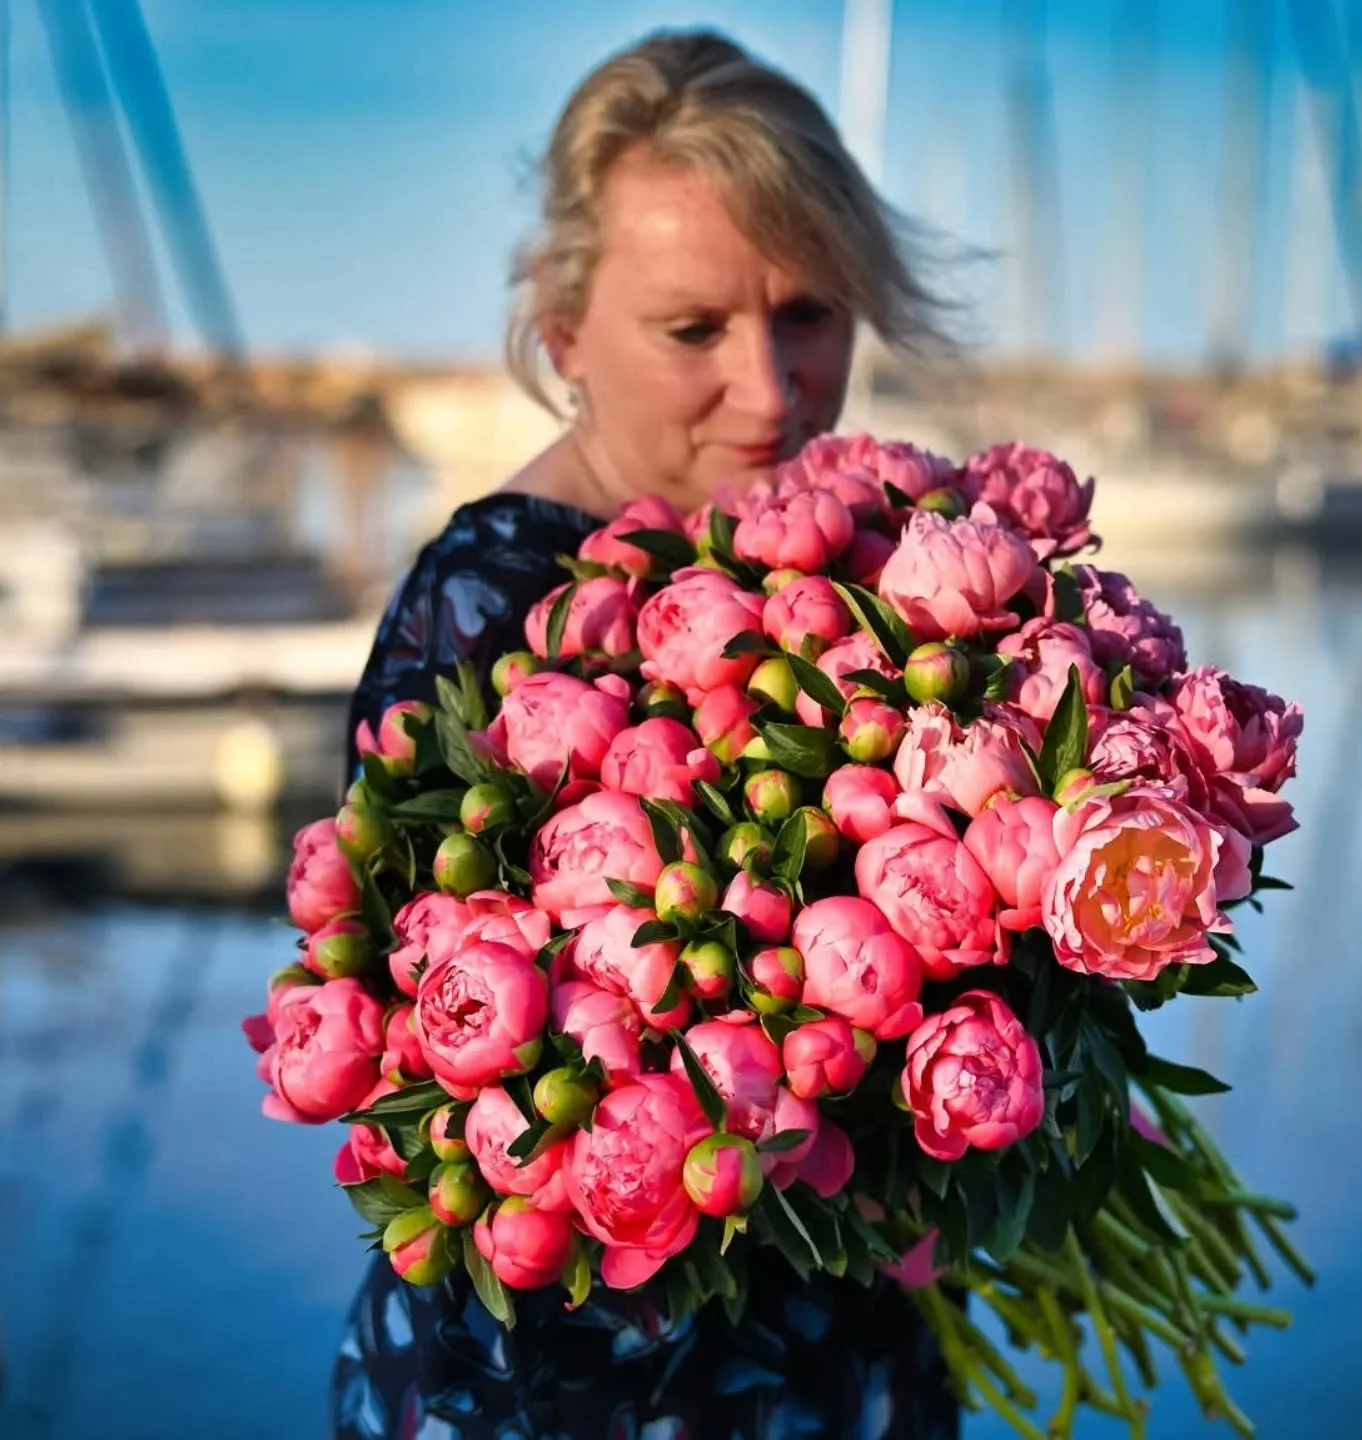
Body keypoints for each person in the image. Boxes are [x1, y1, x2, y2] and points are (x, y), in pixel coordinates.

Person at [331, 28, 960, 1440]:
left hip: (834, 1356)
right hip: (568, 1387)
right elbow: (443, 1103)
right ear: (563, 328)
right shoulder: (483, 607)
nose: (772, 388)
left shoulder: (838, 555)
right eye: (693, 330)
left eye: (809, 313)